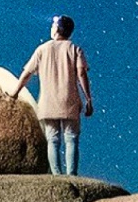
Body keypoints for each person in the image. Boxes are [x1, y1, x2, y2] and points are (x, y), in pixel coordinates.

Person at [13, 15, 93, 176]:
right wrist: (88, 99)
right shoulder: (75, 49)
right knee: (71, 139)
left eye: (53, 26)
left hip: (48, 103)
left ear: (57, 29)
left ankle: (56, 175)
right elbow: (81, 74)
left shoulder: (42, 49)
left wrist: (14, 93)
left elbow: (26, 74)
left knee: (53, 140)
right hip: (69, 101)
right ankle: (72, 175)